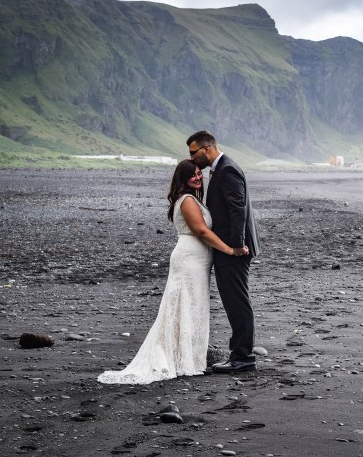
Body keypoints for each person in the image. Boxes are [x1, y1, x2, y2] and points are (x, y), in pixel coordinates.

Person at [98, 160, 244, 384]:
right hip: (189, 260)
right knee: (184, 306)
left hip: (198, 261)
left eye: (199, 174)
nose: (197, 177)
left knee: (193, 306)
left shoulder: (194, 199)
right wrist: (229, 250)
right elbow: (201, 231)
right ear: (182, 179)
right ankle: (181, 359)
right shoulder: (187, 200)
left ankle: (190, 359)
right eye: (192, 175)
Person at [187, 130, 261, 373]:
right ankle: (239, 354)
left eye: (193, 152)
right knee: (234, 301)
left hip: (234, 249)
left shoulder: (227, 169)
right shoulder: (221, 168)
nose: (191, 157)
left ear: (207, 149)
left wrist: (237, 245)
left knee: (237, 301)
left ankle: (243, 357)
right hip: (231, 247)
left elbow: (237, 209)